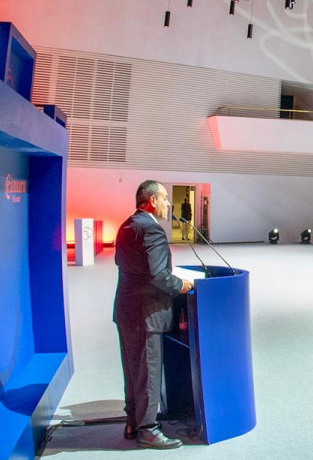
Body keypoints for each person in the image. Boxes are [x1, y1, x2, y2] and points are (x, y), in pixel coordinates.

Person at [114, 180, 194, 449]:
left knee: (132, 369)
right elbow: (159, 276)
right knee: (147, 371)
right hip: (146, 312)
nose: (169, 203)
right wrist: (181, 285)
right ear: (151, 200)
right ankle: (148, 430)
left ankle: (133, 421)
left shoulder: (128, 225)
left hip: (126, 310)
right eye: (165, 198)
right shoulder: (152, 230)